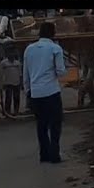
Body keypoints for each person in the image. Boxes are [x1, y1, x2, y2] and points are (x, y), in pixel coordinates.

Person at [23, 22, 67, 163]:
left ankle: (44, 154)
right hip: (51, 91)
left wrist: (28, 91)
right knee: (55, 124)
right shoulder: (55, 48)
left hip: (36, 92)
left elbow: (26, 74)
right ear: (53, 33)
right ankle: (55, 154)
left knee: (41, 125)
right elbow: (61, 71)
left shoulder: (29, 49)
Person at [0, 48, 23, 116]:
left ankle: (16, 111)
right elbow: (1, 74)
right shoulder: (3, 63)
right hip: (8, 83)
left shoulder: (17, 63)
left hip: (17, 82)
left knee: (17, 97)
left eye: (13, 54)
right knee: (8, 98)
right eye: (10, 54)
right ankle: (7, 112)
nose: (11, 55)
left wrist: (21, 83)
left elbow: (20, 73)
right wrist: (2, 83)